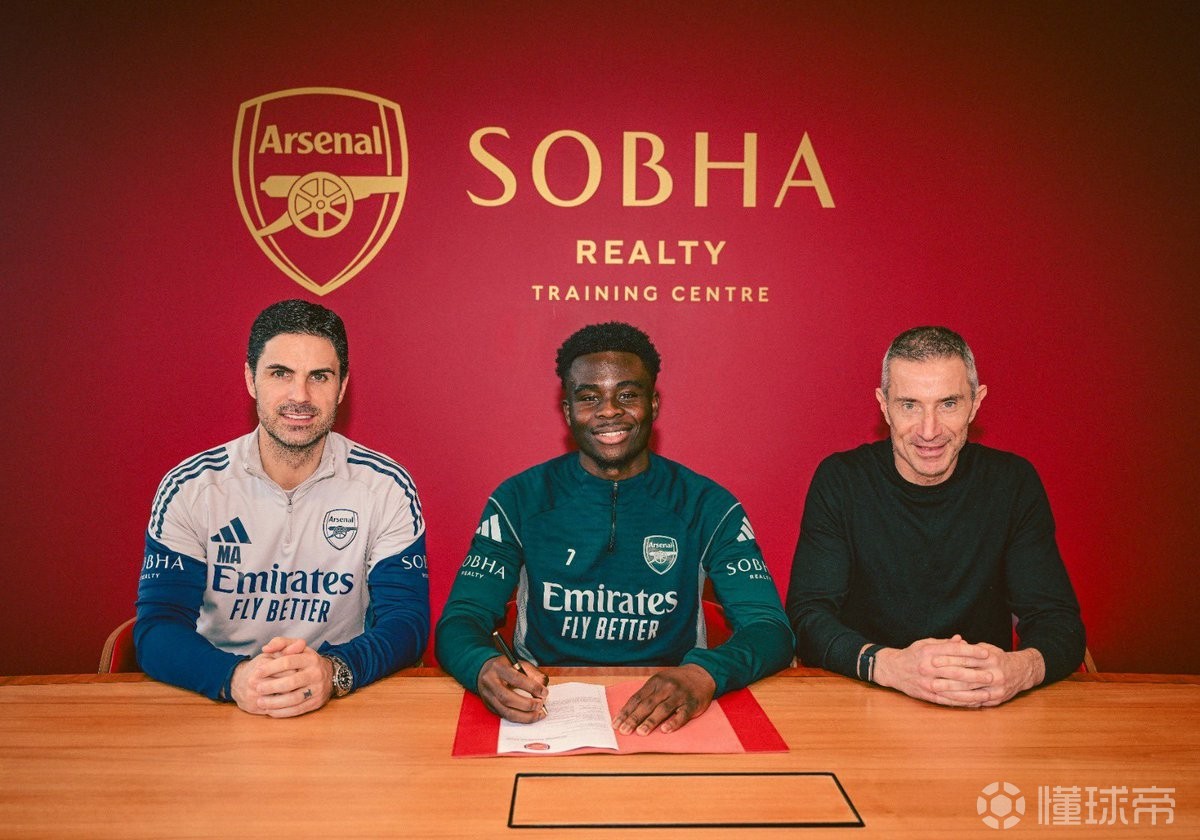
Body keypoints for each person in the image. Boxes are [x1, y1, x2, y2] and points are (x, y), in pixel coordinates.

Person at [435, 322, 793, 735]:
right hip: (545, 707)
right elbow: (461, 619)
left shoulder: (707, 504)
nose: (608, 411)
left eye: (627, 395)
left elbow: (770, 629)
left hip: (671, 707)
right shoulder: (519, 498)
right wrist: (482, 665)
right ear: (568, 411)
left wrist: (705, 673)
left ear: (653, 405)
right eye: (589, 398)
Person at [135, 300, 429, 717]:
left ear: (342, 386)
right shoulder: (192, 488)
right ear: (250, 379)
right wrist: (235, 678)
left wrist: (334, 671)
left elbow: (406, 621)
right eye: (280, 373)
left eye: (319, 376)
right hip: (219, 701)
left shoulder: (385, 486)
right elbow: (157, 627)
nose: (300, 396)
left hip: (342, 702)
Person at [786, 326, 1085, 707]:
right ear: (884, 406)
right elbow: (807, 617)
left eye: (948, 404)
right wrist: (890, 667)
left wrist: (1018, 671)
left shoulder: (1012, 483)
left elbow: (1059, 621)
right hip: (866, 701)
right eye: (909, 405)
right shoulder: (841, 480)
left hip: (980, 705)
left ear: (975, 403)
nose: (929, 431)